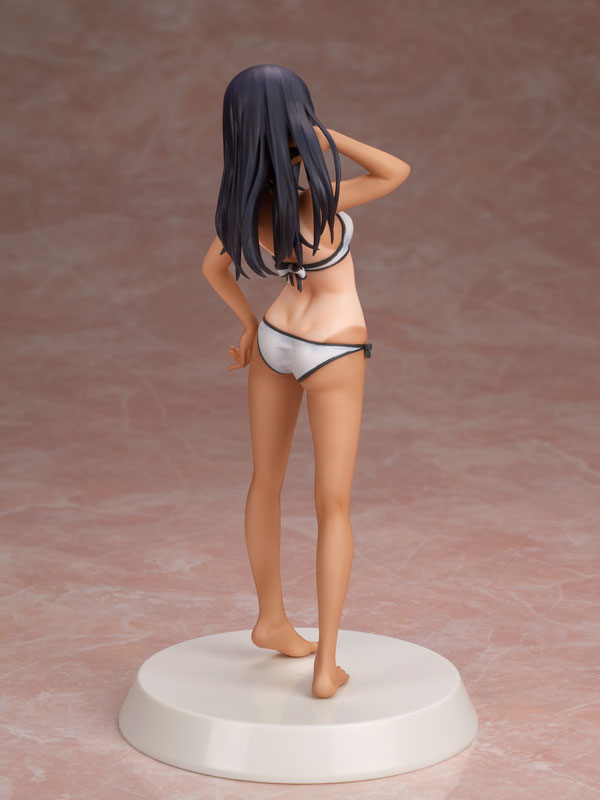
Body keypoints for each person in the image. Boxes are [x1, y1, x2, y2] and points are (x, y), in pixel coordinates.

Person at [202, 64, 411, 698]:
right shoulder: (318, 200)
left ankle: (270, 619)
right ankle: (326, 667)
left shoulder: (247, 206)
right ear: (298, 118)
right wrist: (325, 135)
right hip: (331, 348)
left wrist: (246, 325)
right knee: (333, 504)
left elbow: (213, 268)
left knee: (264, 482)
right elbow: (395, 171)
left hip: (275, 338)